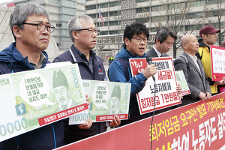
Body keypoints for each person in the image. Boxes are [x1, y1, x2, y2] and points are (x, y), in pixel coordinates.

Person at [0, 4, 63, 150]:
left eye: (48, 27)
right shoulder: (3, 69)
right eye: (39, 26)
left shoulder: (53, 69)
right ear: (17, 31)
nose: (46, 32)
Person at [53, 15, 120, 144]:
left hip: (100, 134)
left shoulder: (98, 61)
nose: (94, 35)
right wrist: (73, 119)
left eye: (95, 31)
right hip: (75, 138)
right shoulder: (62, 62)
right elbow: (57, 104)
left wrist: (110, 116)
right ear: (75, 34)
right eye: (90, 30)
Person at [108, 22, 157, 126]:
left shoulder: (147, 61)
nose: (143, 43)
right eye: (138, 39)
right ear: (127, 41)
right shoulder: (117, 65)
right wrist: (143, 76)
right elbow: (121, 94)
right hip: (129, 123)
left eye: (144, 39)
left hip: (149, 119)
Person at [174, 34, 211, 106]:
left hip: (201, 102)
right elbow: (182, 83)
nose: (197, 43)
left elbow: (205, 79)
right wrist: (198, 93)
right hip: (189, 103)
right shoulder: (181, 60)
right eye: (194, 41)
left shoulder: (198, 60)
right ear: (185, 46)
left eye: (197, 41)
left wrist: (208, 91)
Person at [196, 25, 225, 95]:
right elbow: (197, 74)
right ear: (204, 36)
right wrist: (212, 82)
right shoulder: (198, 51)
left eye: (216, 34)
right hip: (204, 92)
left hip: (217, 90)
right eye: (213, 34)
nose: (216, 36)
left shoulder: (216, 51)